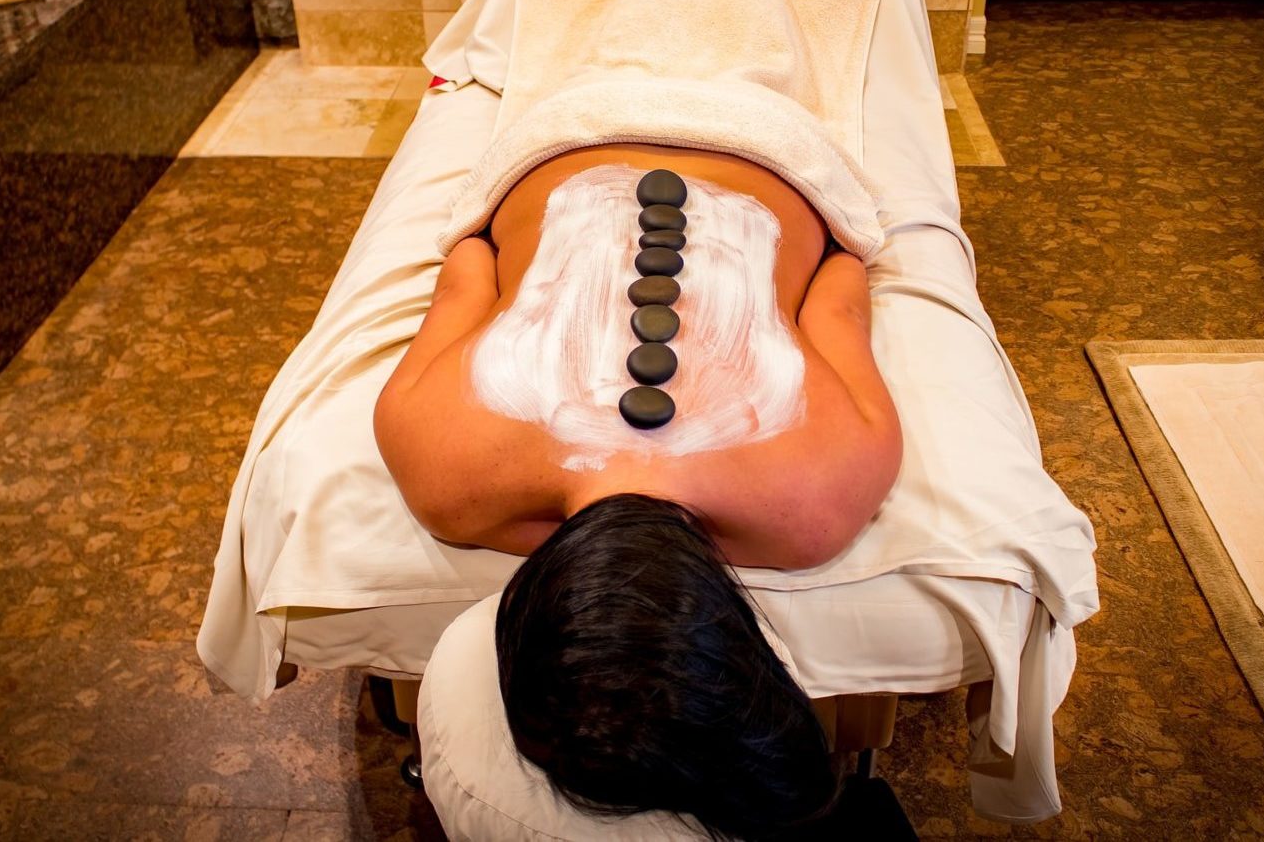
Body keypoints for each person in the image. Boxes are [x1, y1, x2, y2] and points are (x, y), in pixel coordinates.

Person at [374, 141, 902, 837]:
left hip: (765, 150)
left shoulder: (819, 503)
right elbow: (467, 268)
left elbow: (840, 295)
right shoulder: (443, 473)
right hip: (573, 138)